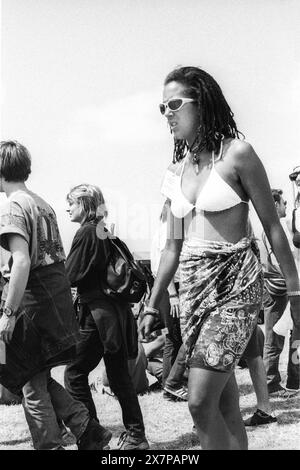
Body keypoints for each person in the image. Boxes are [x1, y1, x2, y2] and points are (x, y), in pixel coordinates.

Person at [139, 66, 300, 450]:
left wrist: (296, 295)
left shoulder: (238, 155)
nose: (167, 114)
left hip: (237, 289)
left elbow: (273, 228)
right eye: (162, 107)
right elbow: (172, 248)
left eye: (174, 104)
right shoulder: (174, 172)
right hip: (195, 292)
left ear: (202, 102)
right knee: (226, 407)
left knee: (198, 401)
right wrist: (151, 303)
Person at [0, 140, 111, 450]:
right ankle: (88, 430)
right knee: (35, 376)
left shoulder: (13, 206)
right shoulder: (42, 203)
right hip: (55, 300)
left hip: (34, 302)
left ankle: (52, 446)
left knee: (28, 383)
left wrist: (8, 316)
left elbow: (22, 261)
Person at [64, 184, 149, 451]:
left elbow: (72, 275)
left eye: (72, 203)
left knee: (75, 374)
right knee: (119, 376)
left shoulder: (87, 232)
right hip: (115, 314)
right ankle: (136, 436)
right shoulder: (104, 230)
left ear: (86, 204)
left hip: (97, 315)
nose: (67, 208)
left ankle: (91, 434)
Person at [262, 189, 300, 396]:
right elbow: (278, 261)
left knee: (292, 335)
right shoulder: (272, 230)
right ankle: (270, 381)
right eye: (283, 203)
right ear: (275, 204)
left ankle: (287, 380)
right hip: (279, 290)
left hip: (284, 288)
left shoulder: (279, 228)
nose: (286, 206)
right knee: (274, 336)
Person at [150, 201, 187, 400]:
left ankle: (170, 383)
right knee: (176, 338)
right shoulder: (168, 231)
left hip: (168, 288)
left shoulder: (160, 230)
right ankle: (171, 383)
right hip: (171, 289)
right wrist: (173, 295)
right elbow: (166, 265)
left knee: (174, 338)